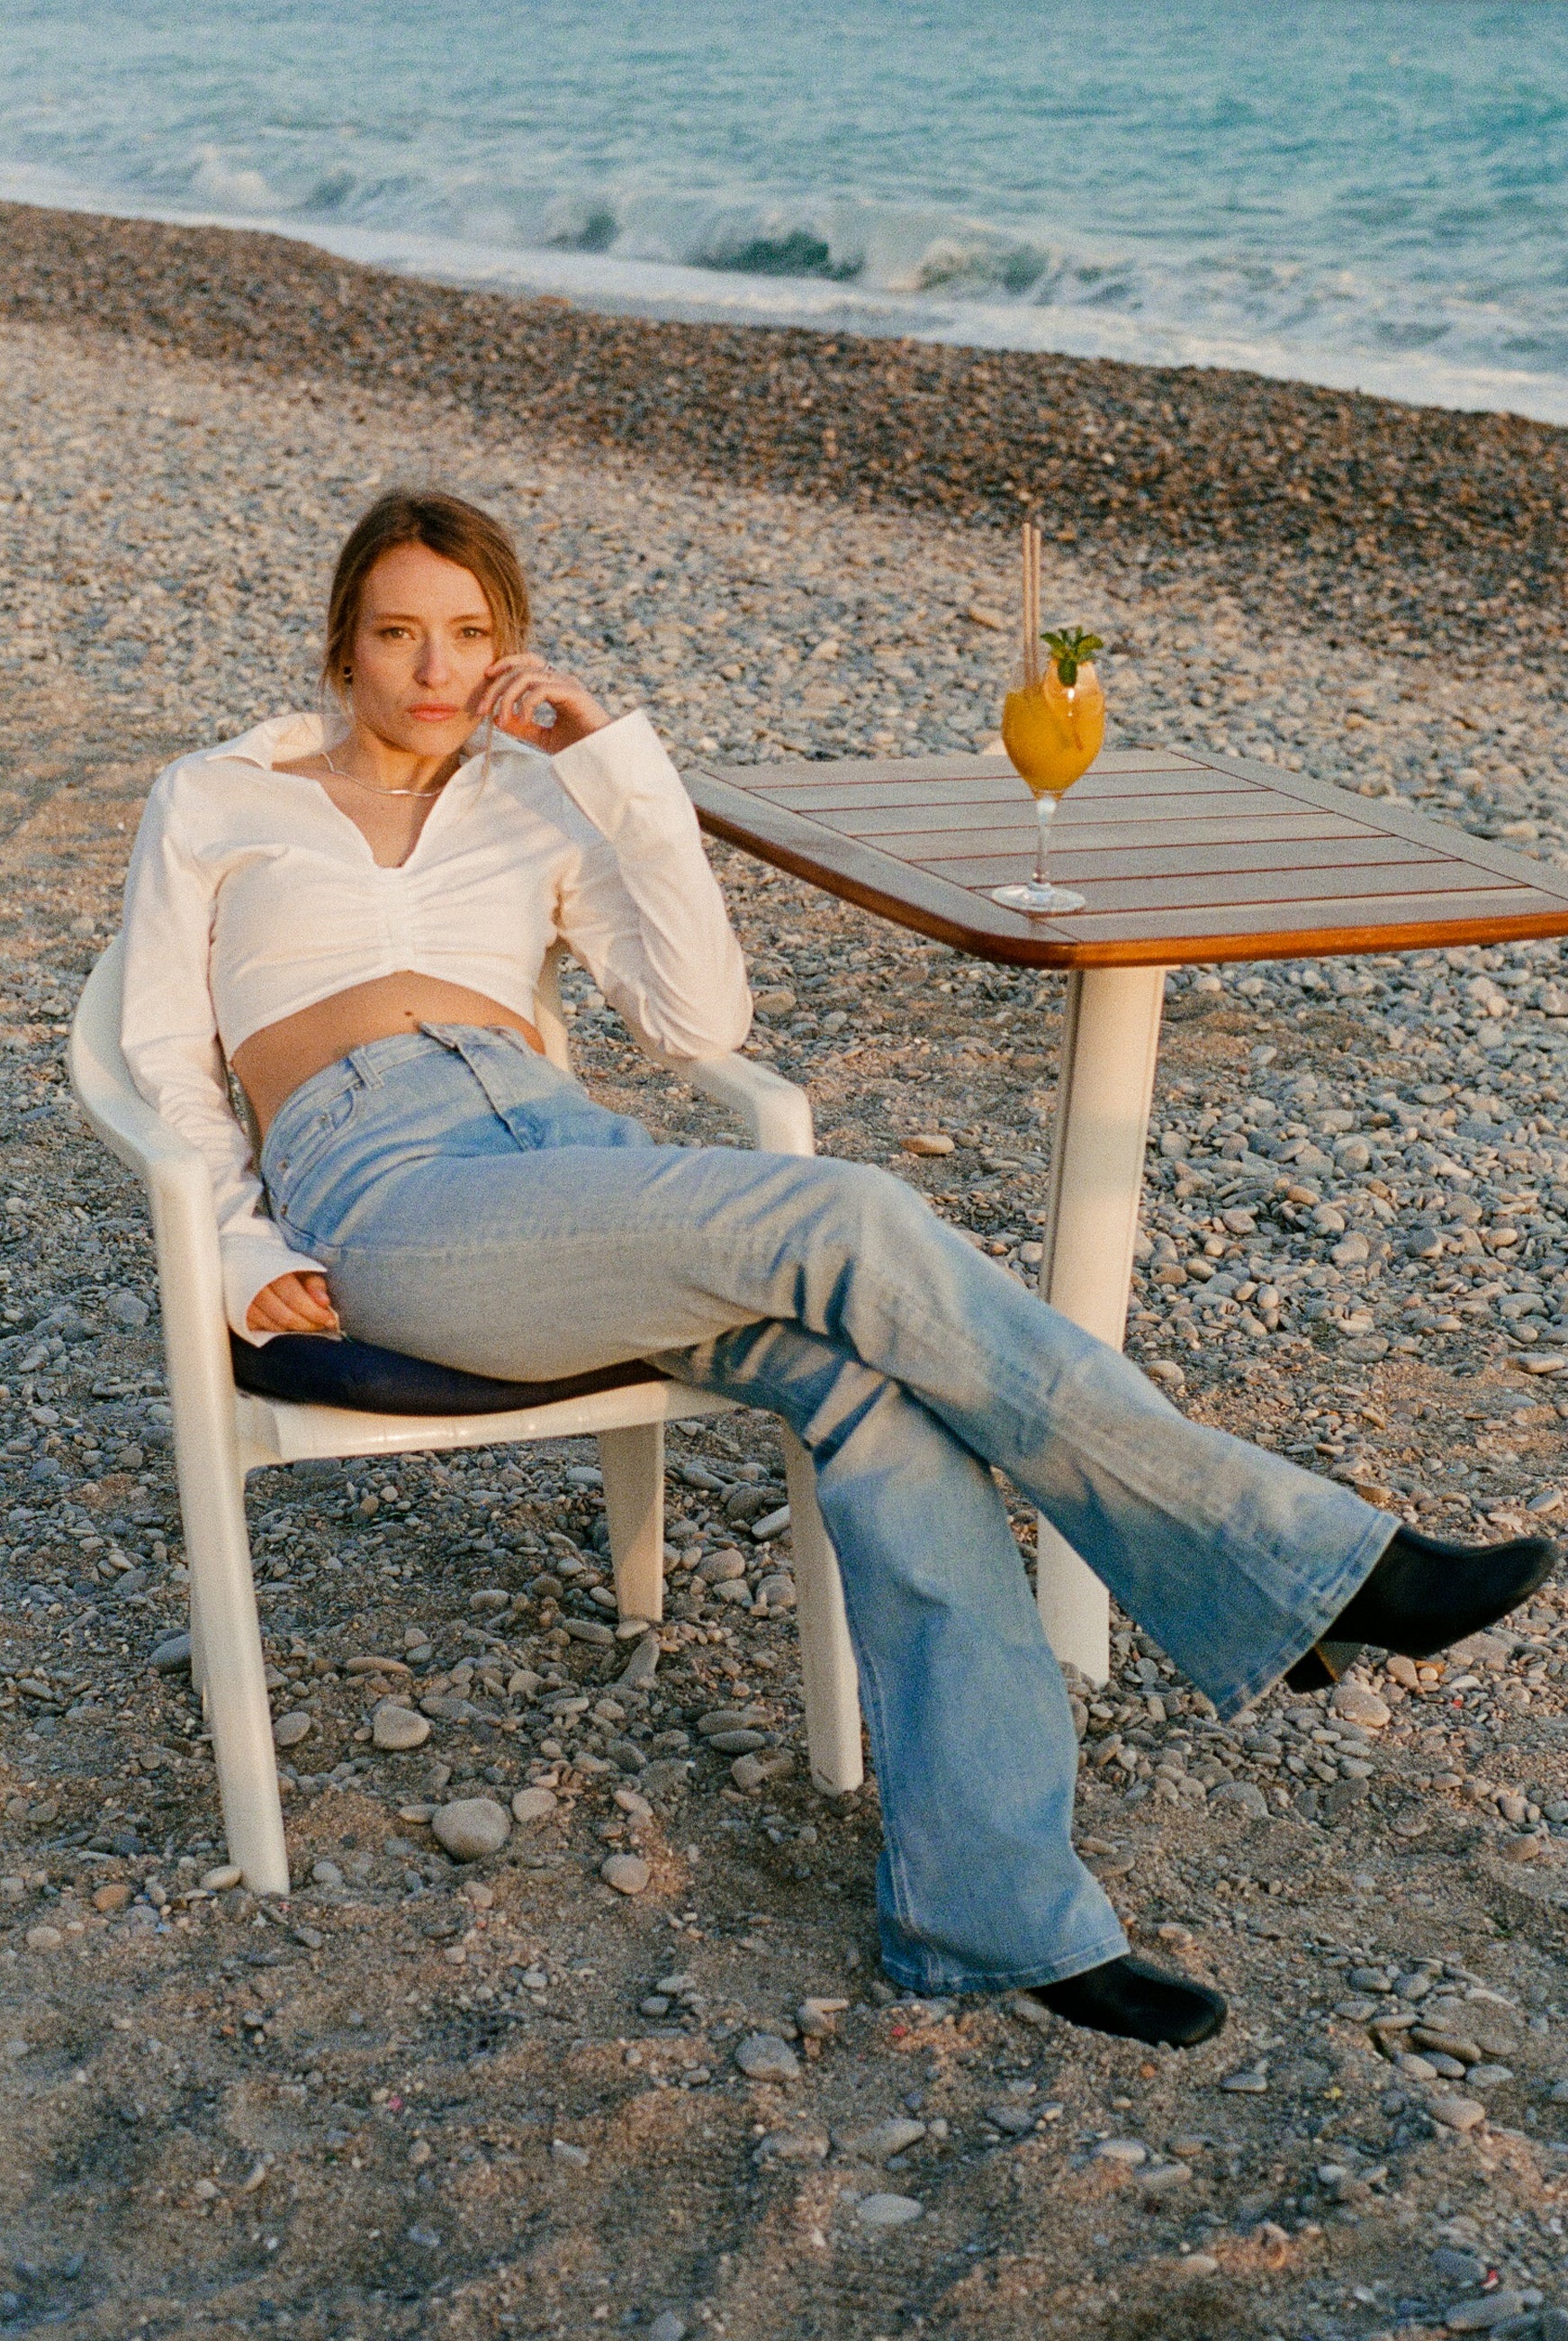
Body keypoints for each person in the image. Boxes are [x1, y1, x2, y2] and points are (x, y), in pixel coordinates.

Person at [120, 488, 1555, 2047]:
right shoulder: (217, 796)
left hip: (569, 1155)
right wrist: (240, 1244)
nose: (433, 666)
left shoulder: (539, 802)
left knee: (882, 1399)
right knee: (851, 1213)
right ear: (343, 644)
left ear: (510, 645)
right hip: (385, 1192)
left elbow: (700, 1023)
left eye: (469, 634)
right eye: (398, 632)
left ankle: (998, 1916)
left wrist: (614, 765)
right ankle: (1308, 1567)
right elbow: (156, 1060)